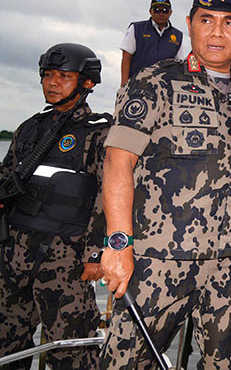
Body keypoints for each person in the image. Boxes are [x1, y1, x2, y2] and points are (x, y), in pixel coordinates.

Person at [100, 0, 231, 368]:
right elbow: (117, 161)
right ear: (189, 24)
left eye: (229, 22)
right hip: (159, 262)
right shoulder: (154, 82)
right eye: (206, 20)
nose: (217, 31)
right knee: (126, 362)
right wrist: (118, 241)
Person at [0, 43, 109, 370]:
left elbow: (108, 198)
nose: (52, 82)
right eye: (48, 75)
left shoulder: (100, 133)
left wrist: (95, 254)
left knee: (72, 351)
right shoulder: (30, 128)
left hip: (65, 260)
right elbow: (6, 178)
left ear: (86, 82)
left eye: (64, 76)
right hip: (14, 254)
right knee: (7, 344)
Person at [119, 0, 187, 86]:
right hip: (136, 85)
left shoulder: (178, 36)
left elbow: (180, 64)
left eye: (165, 10)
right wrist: (124, 85)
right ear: (150, 11)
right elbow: (126, 57)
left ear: (170, 12)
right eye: (157, 10)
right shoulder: (136, 29)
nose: (161, 13)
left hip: (164, 89)